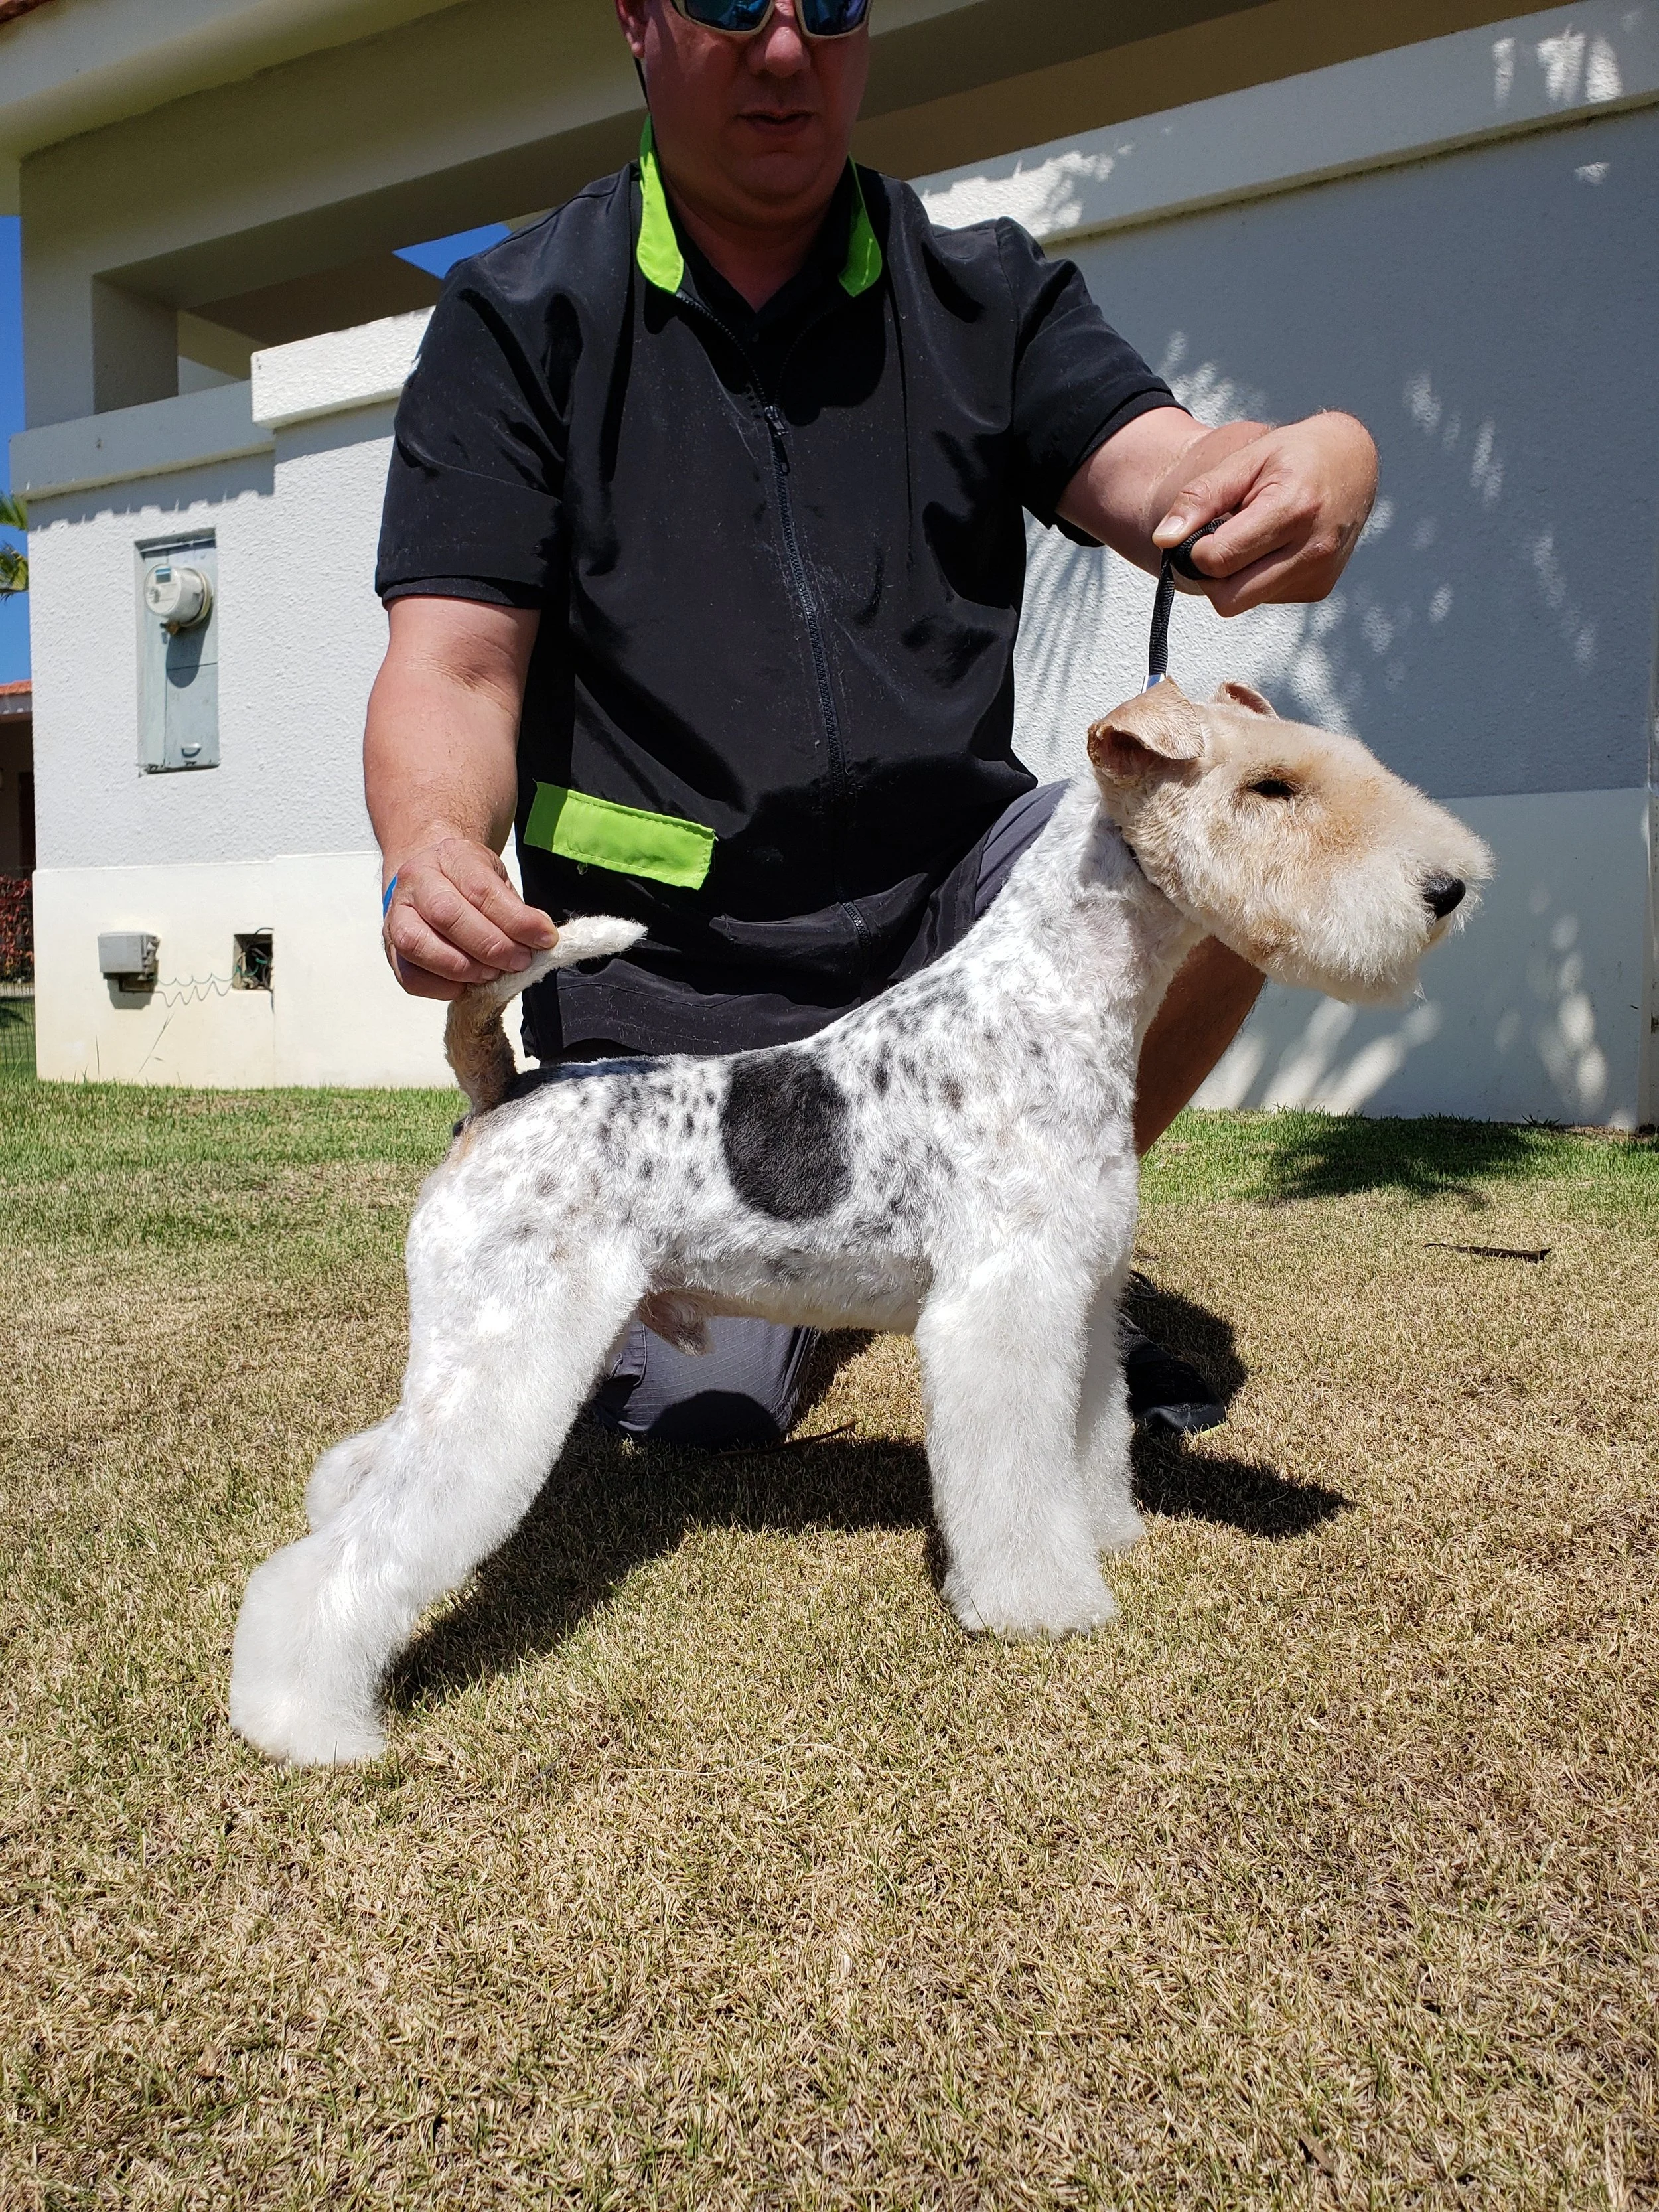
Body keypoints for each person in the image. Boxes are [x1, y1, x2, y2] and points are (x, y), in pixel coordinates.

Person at [368, 0, 1378, 1446]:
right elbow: (452, 668)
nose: (783, 51)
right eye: (727, 2)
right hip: (676, 987)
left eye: (828, 3)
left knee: (1225, 800)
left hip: (953, 946)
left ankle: (1040, 1263)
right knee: (701, 1419)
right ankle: (739, 1304)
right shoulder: (517, 321)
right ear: (637, 23)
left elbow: (1172, 473)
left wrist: (1321, 460)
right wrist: (429, 850)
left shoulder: (984, 296)